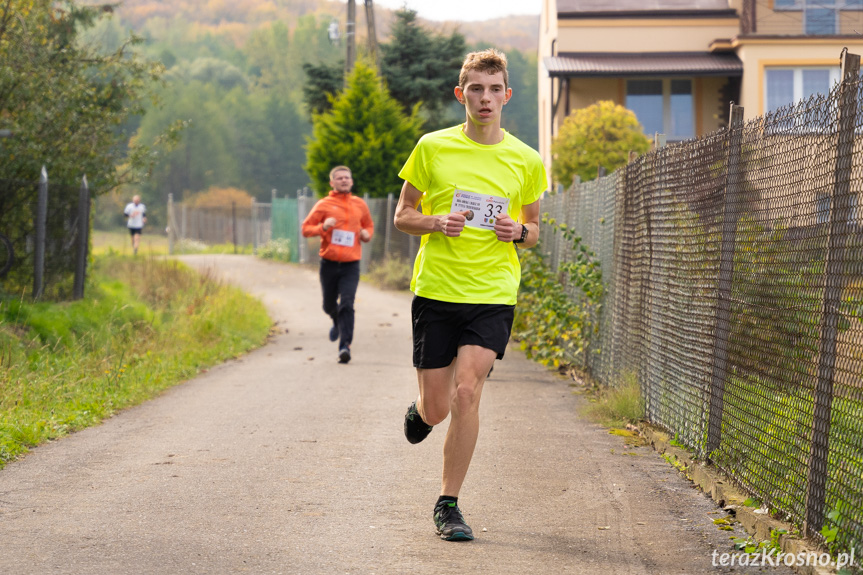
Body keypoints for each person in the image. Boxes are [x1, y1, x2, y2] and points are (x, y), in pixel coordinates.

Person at [394, 48, 546, 542]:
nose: (485, 98)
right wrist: (434, 222)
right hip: (437, 290)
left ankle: (448, 504)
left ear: (507, 95)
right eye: (475, 89)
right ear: (461, 95)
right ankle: (421, 412)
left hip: (492, 293)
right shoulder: (432, 148)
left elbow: (535, 227)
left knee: (467, 390)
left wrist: (517, 232)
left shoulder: (526, 159)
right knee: (437, 406)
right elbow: (403, 215)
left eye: (494, 88)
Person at [301, 166, 374, 364]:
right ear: (332, 183)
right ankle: (335, 320)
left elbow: (368, 225)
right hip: (329, 263)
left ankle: (345, 346)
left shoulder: (359, 204)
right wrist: (322, 227)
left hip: (351, 264)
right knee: (328, 305)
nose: (344, 180)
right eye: (339, 178)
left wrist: (367, 234)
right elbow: (306, 229)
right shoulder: (324, 204)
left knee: (348, 303)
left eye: (347, 178)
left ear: (351, 181)